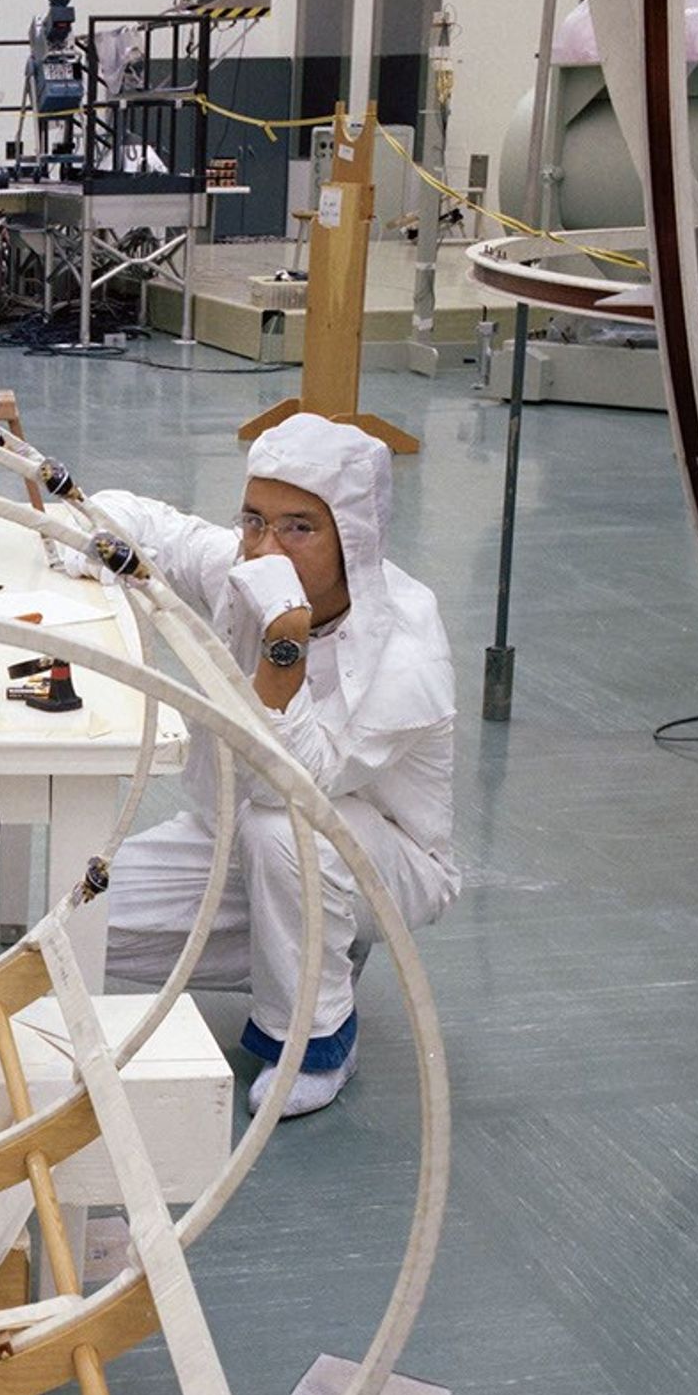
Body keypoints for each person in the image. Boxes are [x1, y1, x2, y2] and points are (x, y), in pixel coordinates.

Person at [83, 412, 458, 1118]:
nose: (266, 547)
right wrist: (86, 536)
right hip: (256, 839)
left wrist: (283, 644)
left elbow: (286, 784)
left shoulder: (404, 659)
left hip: (381, 856)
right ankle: (317, 955)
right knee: (75, 923)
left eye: (299, 527)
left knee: (280, 831)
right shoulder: (243, 565)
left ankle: (317, 1036)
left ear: (353, 537)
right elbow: (145, 523)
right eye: (254, 520)